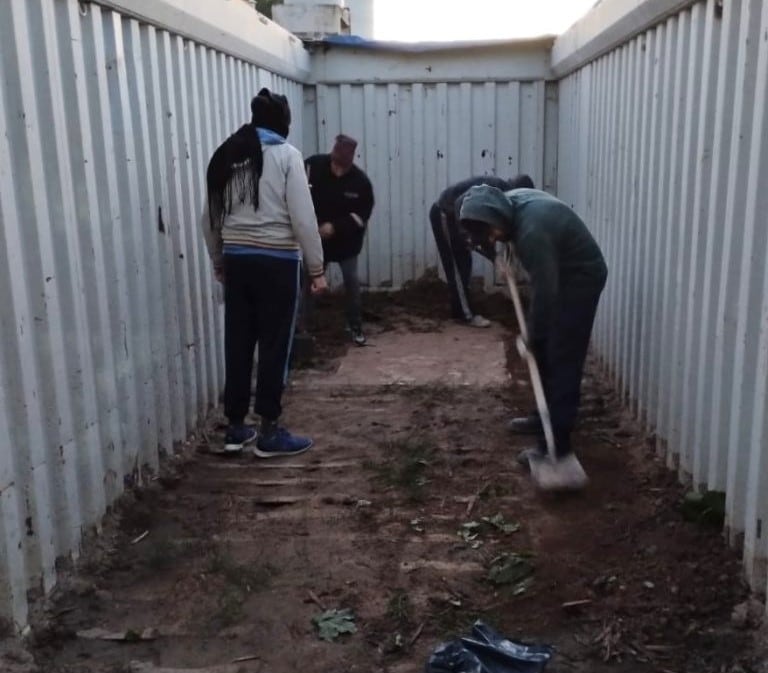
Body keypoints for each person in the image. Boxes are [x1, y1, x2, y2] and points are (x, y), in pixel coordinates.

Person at [201, 88, 327, 456]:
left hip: (238, 262)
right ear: (283, 122)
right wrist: (317, 269)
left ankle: (236, 428)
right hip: (277, 264)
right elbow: (304, 218)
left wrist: (219, 259)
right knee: (274, 345)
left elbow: (209, 218)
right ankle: (270, 430)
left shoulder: (227, 155)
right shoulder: (287, 157)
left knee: (238, 342)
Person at [459, 185, 608, 490]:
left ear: (496, 218)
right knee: (545, 352)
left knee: (562, 356)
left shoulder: (532, 233)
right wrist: (504, 257)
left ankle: (557, 448)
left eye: (491, 234)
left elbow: (546, 292)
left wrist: (532, 336)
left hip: (580, 277)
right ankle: (542, 419)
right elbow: (507, 239)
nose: (492, 240)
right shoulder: (510, 205)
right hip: (559, 270)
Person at [430, 174, 534, 327]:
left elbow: (486, 228)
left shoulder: (502, 197)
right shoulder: (495, 192)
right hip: (445, 214)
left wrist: (498, 258)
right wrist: (468, 236)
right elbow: (465, 209)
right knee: (457, 267)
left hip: (457, 216)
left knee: (464, 264)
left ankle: (460, 309)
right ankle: (464, 315)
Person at [304, 135, 375, 346]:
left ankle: (355, 326)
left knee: (351, 282)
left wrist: (335, 227)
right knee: (308, 281)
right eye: (335, 164)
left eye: (342, 166)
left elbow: (362, 215)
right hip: (316, 241)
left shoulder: (361, 183)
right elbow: (297, 193)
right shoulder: (312, 166)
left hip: (347, 242)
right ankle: (304, 327)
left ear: (351, 160)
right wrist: (312, 225)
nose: (337, 170)